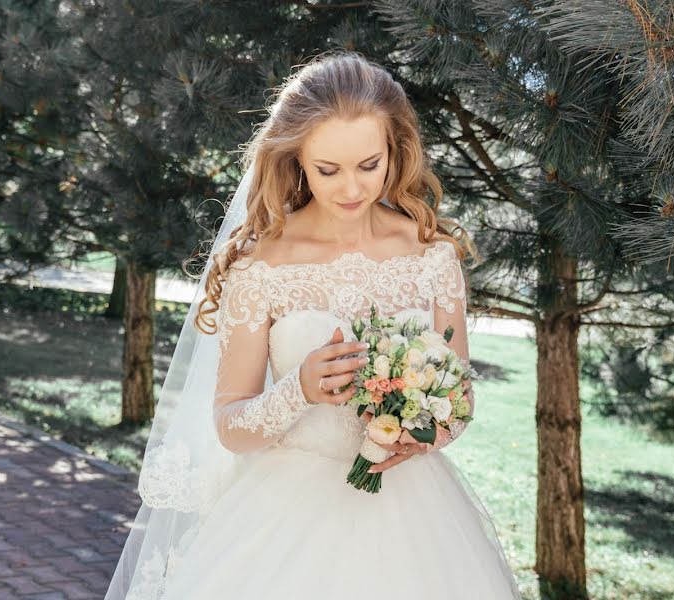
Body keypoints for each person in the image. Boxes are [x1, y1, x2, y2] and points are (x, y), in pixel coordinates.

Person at [105, 50, 521, 600]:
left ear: (395, 151)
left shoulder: (430, 256)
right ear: (296, 158)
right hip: (281, 522)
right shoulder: (261, 266)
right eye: (328, 170)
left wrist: (423, 434)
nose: (351, 188)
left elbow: (459, 395)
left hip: (414, 520)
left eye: (368, 165)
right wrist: (298, 390)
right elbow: (231, 427)